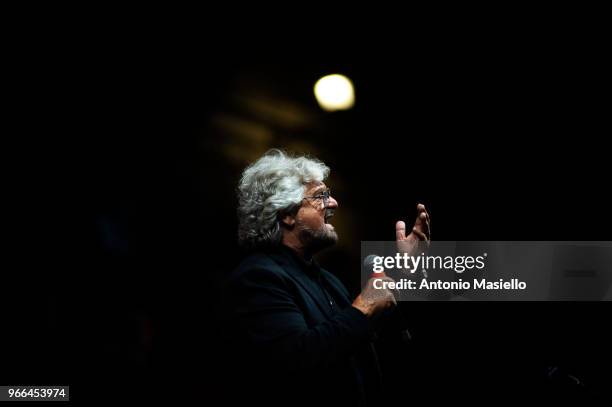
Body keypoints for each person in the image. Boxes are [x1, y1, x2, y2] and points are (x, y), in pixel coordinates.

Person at [221, 149, 430, 406]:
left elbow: (368, 345)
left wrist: (405, 271)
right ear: (286, 213)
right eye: (321, 196)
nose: (333, 203)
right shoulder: (258, 278)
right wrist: (364, 307)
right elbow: (296, 360)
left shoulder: (328, 280)